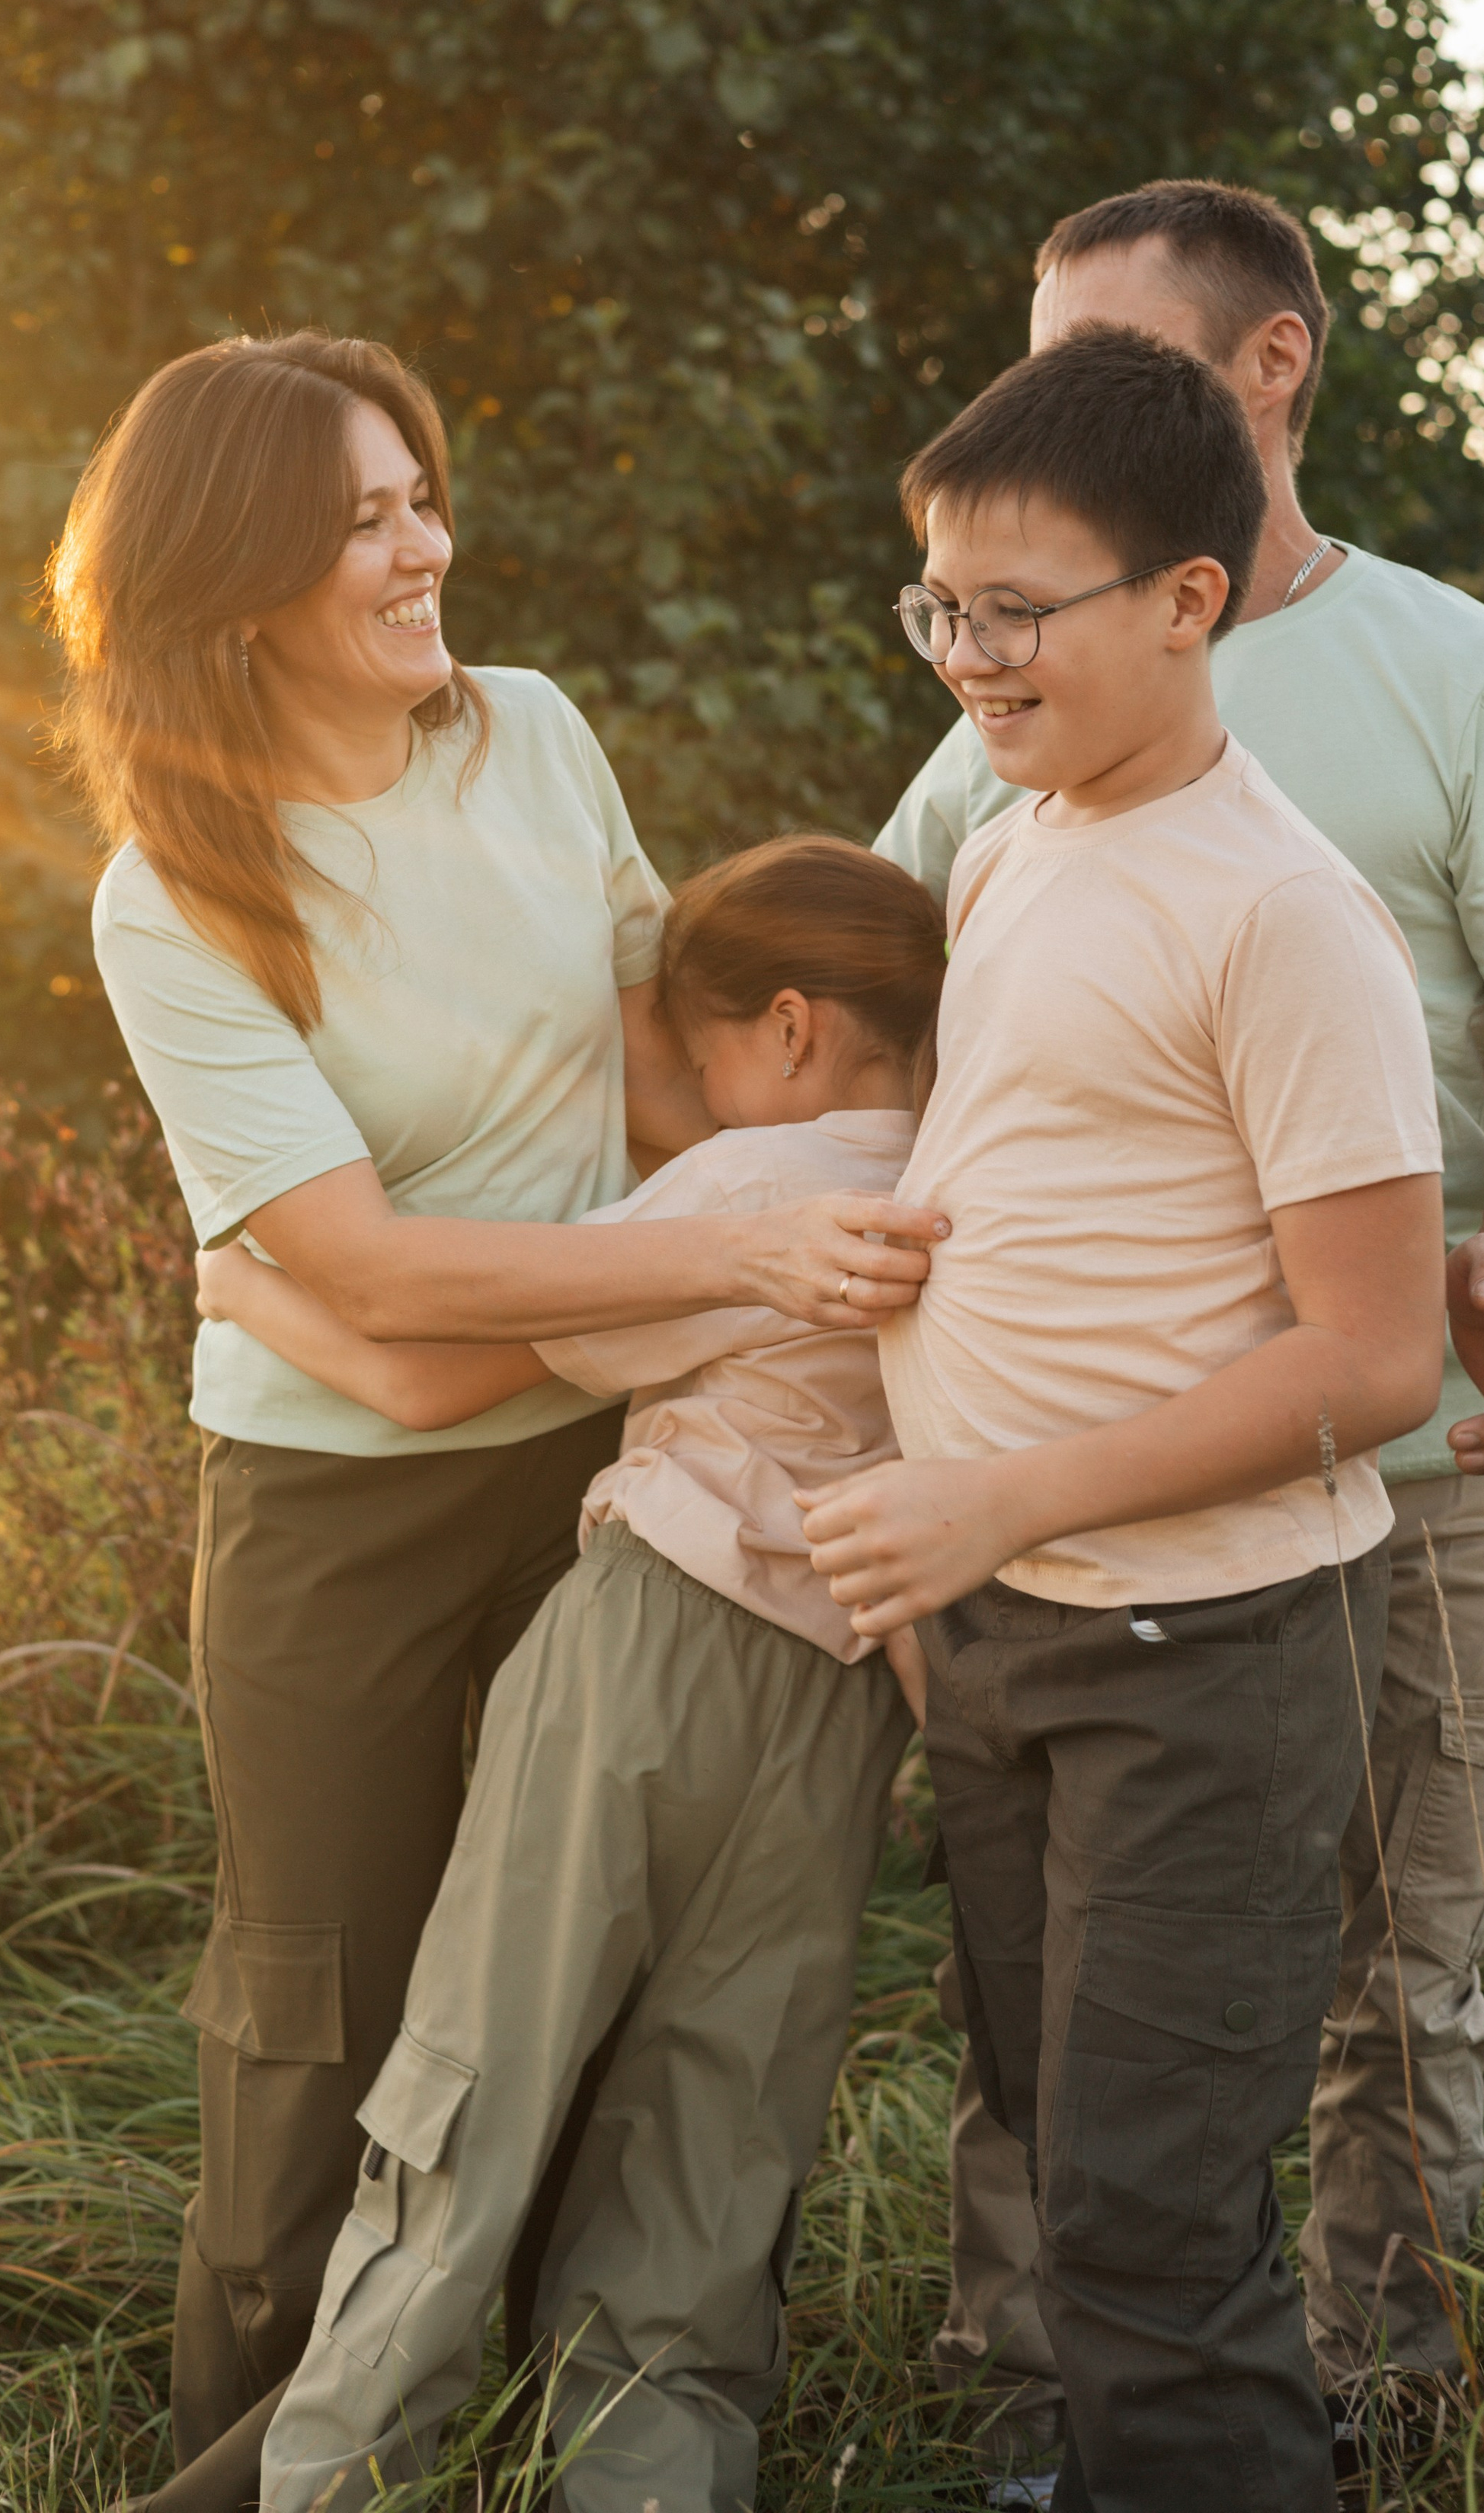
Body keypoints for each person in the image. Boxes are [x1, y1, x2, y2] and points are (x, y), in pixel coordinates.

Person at [54, 331, 945, 2504]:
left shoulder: (530, 737)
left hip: (588, 1470)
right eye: (362, 519)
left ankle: (563, 2426)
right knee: (329, 2026)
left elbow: (663, 1079)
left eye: (418, 495)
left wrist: (503, 1311)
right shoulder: (177, 890)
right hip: (332, 1519)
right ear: (227, 574)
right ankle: (265, 2467)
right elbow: (359, 1274)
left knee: (574, 2002)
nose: (425, 545)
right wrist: (661, 1278)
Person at [876, 181, 1484, 2466]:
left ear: (1263, 370)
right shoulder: (1017, 763)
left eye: (1114, 356)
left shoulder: (1444, 685)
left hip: (1356, 1485)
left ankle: (1359, 2399)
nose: (1056, 400)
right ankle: (1064, 2408)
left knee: (1382, 1992)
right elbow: (920, 1044)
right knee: (1077, 2041)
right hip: (1057, 1546)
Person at [806, 324, 1448, 2509]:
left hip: (1204, 1656)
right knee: (1052, 2150)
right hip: (1004, 1629)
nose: (967, 659)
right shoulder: (1013, 837)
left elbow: (1376, 1364)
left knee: (1154, 2229)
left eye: (1017, 612)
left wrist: (996, 1490)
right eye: (940, 609)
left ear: (1194, 598)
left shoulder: (1285, 917)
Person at [168, 834, 945, 2513]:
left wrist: (243, 1284)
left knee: (476, 2080)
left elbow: (428, 1382)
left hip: (647, 1654)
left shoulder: (753, 1189)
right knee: (716, 2123)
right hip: (842, 1694)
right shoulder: (972, 1178)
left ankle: (339, 2474)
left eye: (692, 1044)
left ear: (792, 1030)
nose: (677, 1089)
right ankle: (647, 2474)